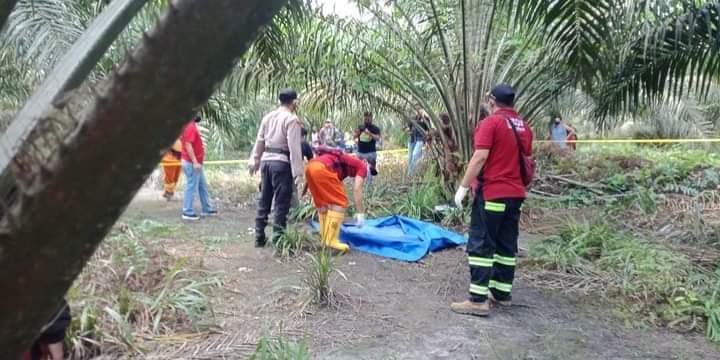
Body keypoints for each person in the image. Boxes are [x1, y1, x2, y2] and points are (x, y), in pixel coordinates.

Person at [451, 84, 533, 316]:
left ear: (492, 101)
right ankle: (501, 294)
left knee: (481, 243)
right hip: (515, 195)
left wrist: (463, 187)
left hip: (493, 193)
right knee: (506, 245)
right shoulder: (524, 127)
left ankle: (478, 300)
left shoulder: (491, 123)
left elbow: (480, 157)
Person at [249, 89, 304, 247]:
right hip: (281, 163)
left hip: (266, 162)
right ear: (294, 102)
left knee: (264, 198)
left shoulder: (268, 117)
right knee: (281, 202)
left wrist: (254, 161)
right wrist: (298, 172)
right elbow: (294, 148)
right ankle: (278, 239)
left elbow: (260, 140)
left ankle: (259, 236)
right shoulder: (291, 119)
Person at [305, 147, 368, 252]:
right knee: (340, 202)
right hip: (321, 169)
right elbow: (357, 189)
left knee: (323, 204)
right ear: (366, 162)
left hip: (310, 167)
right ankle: (332, 241)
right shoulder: (362, 166)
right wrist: (360, 213)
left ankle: (325, 239)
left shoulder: (342, 162)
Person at [181, 115, 217, 220]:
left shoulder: (191, 125)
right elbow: (188, 144)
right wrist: (195, 162)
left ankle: (207, 208)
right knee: (191, 186)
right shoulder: (189, 126)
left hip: (195, 163)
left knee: (202, 185)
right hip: (192, 163)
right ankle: (187, 211)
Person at [354, 111, 381, 184]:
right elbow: (354, 136)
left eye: (368, 118)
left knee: (371, 171)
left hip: (371, 153)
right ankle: (360, 184)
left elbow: (378, 138)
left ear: (371, 118)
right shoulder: (360, 127)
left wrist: (369, 133)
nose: (367, 119)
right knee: (359, 169)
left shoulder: (375, 128)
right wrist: (359, 132)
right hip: (360, 152)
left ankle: (369, 187)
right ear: (363, 118)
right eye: (365, 118)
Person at [406, 105, 430, 176]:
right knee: (410, 157)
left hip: (420, 139)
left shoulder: (426, 119)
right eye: (416, 109)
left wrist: (428, 142)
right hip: (412, 139)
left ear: (422, 109)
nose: (417, 110)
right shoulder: (413, 118)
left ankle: (414, 173)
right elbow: (409, 128)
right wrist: (408, 130)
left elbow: (428, 130)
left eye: (419, 109)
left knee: (415, 155)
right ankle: (410, 174)